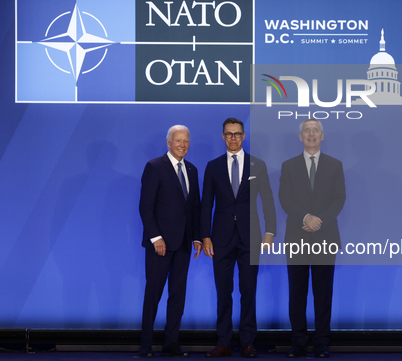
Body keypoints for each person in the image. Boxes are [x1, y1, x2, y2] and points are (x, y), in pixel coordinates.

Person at [201, 118, 276, 358]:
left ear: (244, 136)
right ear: (223, 137)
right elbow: (206, 205)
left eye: (237, 134)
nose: (233, 138)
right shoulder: (213, 166)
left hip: (250, 238)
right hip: (220, 239)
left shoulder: (258, 164)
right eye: (229, 134)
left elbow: (268, 201)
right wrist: (205, 235)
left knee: (248, 291)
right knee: (223, 292)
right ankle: (223, 342)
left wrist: (270, 231)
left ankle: (247, 342)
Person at [278, 119, 346, 358]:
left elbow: (339, 199)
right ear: (300, 137)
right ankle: (298, 341)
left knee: (323, 292)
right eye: (306, 131)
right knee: (297, 292)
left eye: (315, 130)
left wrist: (320, 221)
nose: (311, 134)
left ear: (322, 136)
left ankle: (321, 341)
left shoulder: (335, 165)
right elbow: (285, 199)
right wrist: (306, 217)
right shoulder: (288, 166)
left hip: (325, 237)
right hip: (296, 236)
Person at [138, 125, 202, 358]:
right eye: (178, 141)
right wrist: (156, 237)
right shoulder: (155, 167)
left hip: (184, 244)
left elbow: (195, 207)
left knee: (178, 295)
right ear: (168, 142)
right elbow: (145, 207)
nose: (182, 145)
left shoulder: (192, 170)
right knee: (153, 293)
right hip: (160, 245)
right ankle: (146, 344)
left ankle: (171, 343)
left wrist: (196, 237)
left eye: (186, 141)